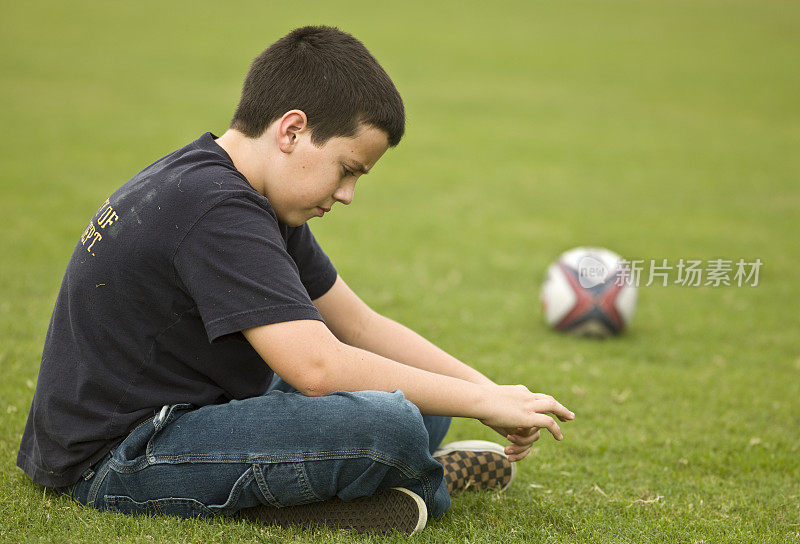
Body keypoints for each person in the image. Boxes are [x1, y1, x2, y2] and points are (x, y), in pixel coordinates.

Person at [17, 25, 574, 535]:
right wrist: (480, 399)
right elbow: (316, 367)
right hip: (119, 456)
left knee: (423, 398)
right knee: (391, 425)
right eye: (347, 169)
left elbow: (358, 324)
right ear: (292, 129)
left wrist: (489, 393)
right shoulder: (214, 208)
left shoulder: (245, 192)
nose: (348, 194)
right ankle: (408, 487)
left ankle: (372, 481)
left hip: (194, 407)